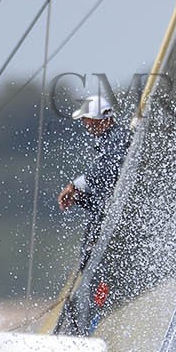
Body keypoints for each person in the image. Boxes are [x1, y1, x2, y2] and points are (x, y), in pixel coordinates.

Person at [57, 94, 132, 263]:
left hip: (112, 215)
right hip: (106, 211)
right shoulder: (108, 140)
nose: (85, 124)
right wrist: (78, 196)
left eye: (85, 119)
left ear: (94, 119)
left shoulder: (118, 137)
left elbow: (106, 172)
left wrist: (75, 185)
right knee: (87, 253)